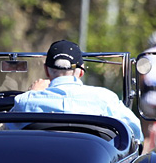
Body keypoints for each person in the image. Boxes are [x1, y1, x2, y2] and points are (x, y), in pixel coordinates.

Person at [10, 39, 143, 143]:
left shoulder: (26, 101)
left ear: (46, 70)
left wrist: (31, 94)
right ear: (81, 71)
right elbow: (136, 134)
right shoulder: (105, 98)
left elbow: (6, 135)